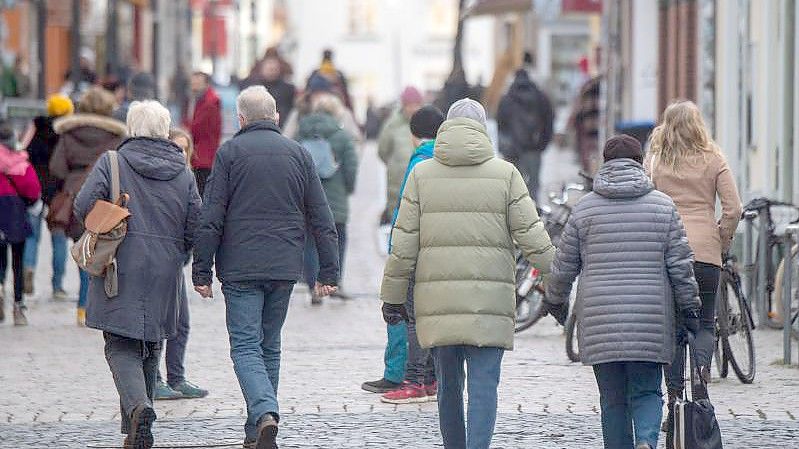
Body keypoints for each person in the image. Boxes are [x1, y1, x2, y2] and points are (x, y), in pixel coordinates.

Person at [380, 99, 555, 449]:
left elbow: (403, 244)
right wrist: (558, 284)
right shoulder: (506, 174)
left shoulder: (421, 175)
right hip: (489, 302)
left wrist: (393, 296)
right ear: (482, 128)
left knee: (447, 386)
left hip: (438, 302)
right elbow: (533, 238)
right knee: (484, 384)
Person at [192, 86, 339, 449]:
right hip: (284, 265)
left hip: (240, 267)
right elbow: (321, 216)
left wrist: (201, 269)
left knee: (245, 346)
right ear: (275, 117)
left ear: (239, 119)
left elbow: (212, 216)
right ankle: (256, 430)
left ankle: (264, 411)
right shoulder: (299, 154)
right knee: (269, 346)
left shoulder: (229, 154)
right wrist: (328, 271)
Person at [544, 135, 702, 449]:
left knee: (612, 399)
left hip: (600, 318)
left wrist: (555, 301)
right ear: (640, 162)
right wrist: (689, 308)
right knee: (646, 391)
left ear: (605, 164)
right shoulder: (663, 207)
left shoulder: (584, 210)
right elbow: (681, 265)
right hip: (649, 318)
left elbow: (563, 265)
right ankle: (645, 441)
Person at [74, 100, 201, 449]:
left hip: (120, 263)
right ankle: (136, 432)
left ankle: (139, 407)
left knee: (119, 344)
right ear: (165, 128)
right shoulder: (183, 171)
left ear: (131, 127)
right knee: (150, 344)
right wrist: (181, 254)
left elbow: (83, 205)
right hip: (166, 267)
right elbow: (196, 224)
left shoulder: (112, 162)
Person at [645, 100, 743, 425]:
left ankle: (673, 400)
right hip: (705, 253)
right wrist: (721, 239)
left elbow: (646, 201)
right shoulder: (715, 159)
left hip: (667, 253)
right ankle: (700, 381)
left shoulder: (657, 161)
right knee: (703, 322)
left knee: (672, 328)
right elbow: (733, 209)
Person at [378, 105, 445, 404]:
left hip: (417, 249)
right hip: (441, 248)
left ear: (412, 132)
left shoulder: (419, 160)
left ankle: (414, 380)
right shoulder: (447, 158)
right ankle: (430, 380)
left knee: (413, 315)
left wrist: (395, 250)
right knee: (432, 314)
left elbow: (406, 212)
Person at [50, 86, 126, 326]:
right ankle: (92, 305)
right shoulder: (116, 136)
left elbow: (56, 168)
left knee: (81, 249)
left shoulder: (69, 134)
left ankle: (82, 307)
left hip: (74, 195)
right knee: (100, 252)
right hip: (104, 198)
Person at [153, 128, 209, 401]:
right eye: (175, 147)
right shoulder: (160, 177)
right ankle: (155, 379)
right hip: (158, 256)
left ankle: (176, 377)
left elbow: (195, 217)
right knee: (160, 322)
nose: (180, 153)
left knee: (181, 323)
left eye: (184, 149)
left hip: (176, 258)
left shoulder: (187, 178)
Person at [296, 93, 358, 303]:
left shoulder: (301, 133)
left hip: (307, 196)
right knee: (338, 239)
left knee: (310, 241)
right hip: (335, 196)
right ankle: (335, 283)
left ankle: (314, 286)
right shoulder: (342, 136)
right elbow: (351, 167)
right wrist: (347, 189)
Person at [22, 94, 74, 299]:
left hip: (34, 192)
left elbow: (24, 153)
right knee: (59, 240)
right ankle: (57, 285)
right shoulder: (66, 135)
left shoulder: (36, 129)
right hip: (58, 195)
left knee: (32, 237)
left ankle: (28, 268)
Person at [496, 53, 554, 200]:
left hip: (513, 149)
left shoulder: (506, 98)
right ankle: (532, 216)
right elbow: (549, 120)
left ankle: (515, 219)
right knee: (533, 186)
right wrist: (542, 144)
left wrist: (505, 148)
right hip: (534, 148)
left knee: (514, 187)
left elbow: (501, 124)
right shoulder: (541, 96)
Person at [0, 120, 42, 325]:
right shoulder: (20, 162)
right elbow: (33, 191)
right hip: (15, 214)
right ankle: (18, 306)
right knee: (17, 261)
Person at [377, 86, 423, 224]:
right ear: (403, 105)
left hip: (420, 181)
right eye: (410, 105)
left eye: (416, 105)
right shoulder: (392, 125)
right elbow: (382, 151)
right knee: (397, 222)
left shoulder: (425, 122)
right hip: (397, 182)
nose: (413, 108)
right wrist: (394, 165)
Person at [183, 71, 222, 197]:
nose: (194, 87)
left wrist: (184, 128)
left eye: (197, 83)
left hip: (202, 157)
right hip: (202, 156)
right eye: (193, 83)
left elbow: (196, 129)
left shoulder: (209, 103)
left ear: (206, 84)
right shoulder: (198, 100)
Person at [240, 56, 296, 128]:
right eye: (269, 69)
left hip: (281, 125)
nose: (272, 72)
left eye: (274, 69)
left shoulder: (287, 88)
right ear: (262, 69)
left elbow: (290, 108)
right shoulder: (254, 86)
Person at [567, 75, 601, 174]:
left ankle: (589, 175)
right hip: (593, 128)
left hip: (587, 129)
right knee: (592, 155)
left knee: (589, 155)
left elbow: (577, 110)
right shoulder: (592, 89)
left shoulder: (587, 89)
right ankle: (590, 174)